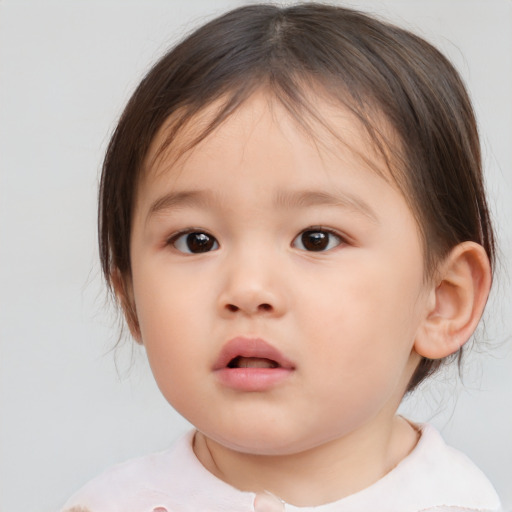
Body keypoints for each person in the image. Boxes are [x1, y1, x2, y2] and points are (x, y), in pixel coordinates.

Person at [61, 3, 503, 511]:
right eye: (196, 240)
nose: (248, 289)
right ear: (131, 297)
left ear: (443, 301)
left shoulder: (458, 502)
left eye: (316, 238)